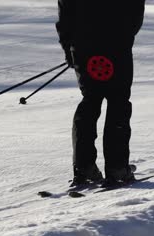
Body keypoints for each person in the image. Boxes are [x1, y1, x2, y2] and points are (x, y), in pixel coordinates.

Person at [56, 0, 145, 187]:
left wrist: (69, 49)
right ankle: (117, 169)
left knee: (90, 101)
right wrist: (126, 36)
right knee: (118, 102)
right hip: (116, 44)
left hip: (82, 47)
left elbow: (65, 12)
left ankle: (84, 168)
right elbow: (135, 7)